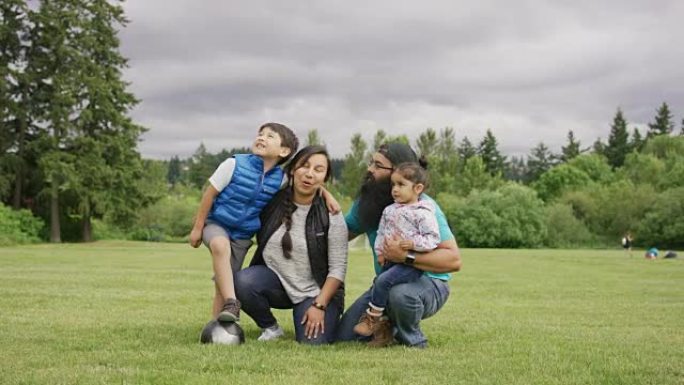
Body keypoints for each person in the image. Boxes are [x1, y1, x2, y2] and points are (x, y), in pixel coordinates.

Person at [336, 142, 461, 348]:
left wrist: (405, 257)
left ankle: (411, 338)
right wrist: (325, 205)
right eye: (371, 163)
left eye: (378, 165)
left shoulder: (423, 207)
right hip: (385, 281)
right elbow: (340, 233)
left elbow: (453, 260)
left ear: (398, 171)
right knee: (345, 335)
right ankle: (385, 325)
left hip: (428, 283)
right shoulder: (367, 203)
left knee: (400, 294)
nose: (370, 169)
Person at [234, 146, 348, 344]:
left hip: (315, 293)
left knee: (313, 343)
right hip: (277, 284)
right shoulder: (273, 199)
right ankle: (270, 328)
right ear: (294, 169)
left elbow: (337, 270)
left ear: (325, 178)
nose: (309, 174)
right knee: (242, 281)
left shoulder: (332, 215)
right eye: (304, 166)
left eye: (318, 170)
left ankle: (323, 316)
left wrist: (319, 306)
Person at [189, 123, 299, 323]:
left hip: (243, 235)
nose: (262, 138)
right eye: (260, 134)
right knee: (220, 246)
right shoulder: (234, 164)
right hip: (216, 223)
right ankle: (233, 302)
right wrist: (198, 228)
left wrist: (327, 195)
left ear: (284, 151)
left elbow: (304, 186)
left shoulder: (281, 179)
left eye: (270, 136)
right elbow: (209, 194)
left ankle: (217, 326)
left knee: (225, 280)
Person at [353, 161, 440, 346]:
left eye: (401, 185)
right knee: (380, 283)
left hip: (411, 265)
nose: (395, 189)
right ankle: (384, 330)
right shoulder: (389, 210)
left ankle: (376, 321)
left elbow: (432, 239)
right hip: (390, 262)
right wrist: (380, 253)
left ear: (417, 188)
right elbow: (382, 234)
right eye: (393, 184)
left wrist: (413, 244)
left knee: (386, 283)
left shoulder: (423, 213)